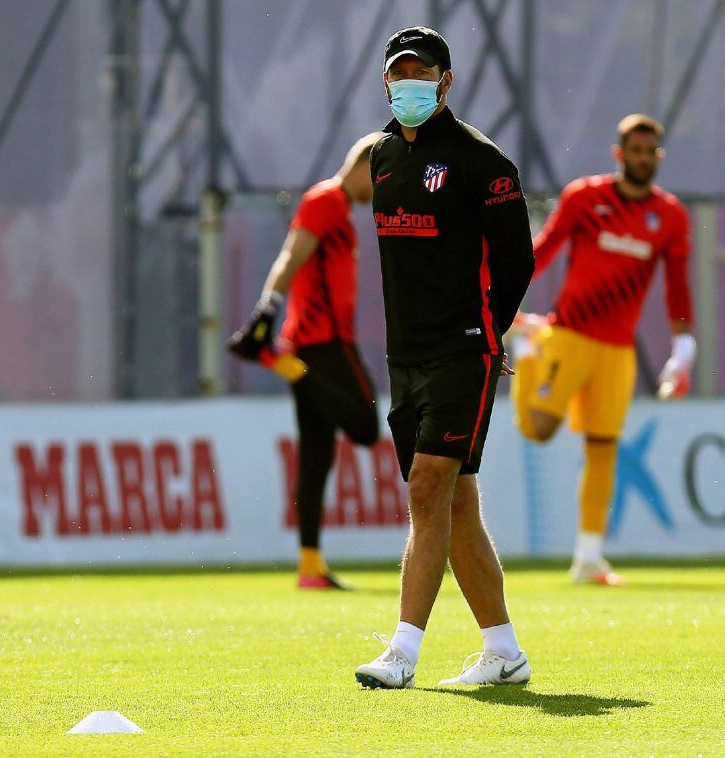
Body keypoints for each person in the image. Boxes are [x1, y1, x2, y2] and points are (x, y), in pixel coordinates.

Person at [353, 27, 535, 689]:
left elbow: (518, 261)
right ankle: (504, 653)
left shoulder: (482, 162)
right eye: (400, 73)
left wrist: (490, 333)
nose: (410, 83)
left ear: (446, 81)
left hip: (462, 351)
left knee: (427, 488)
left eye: (422, 72)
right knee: (455, 504)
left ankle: (401, 653)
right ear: (385, 81)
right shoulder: (379, 156)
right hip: (405, 356)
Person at [510, 114, 695, 585]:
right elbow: (543, 249)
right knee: (539, 430)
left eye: (650, 152)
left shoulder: (670, 215)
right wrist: (501, 299)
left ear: (659, 157)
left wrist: (683, 347)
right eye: (635, 150)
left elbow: (677, 285)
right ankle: (528, 347)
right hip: (569, 334)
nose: (642, 159)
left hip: (617, 349)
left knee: (603, 447)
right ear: (619, 154)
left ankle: (589, 558)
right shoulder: (585, 197)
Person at [227, 133, 383, 590]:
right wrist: (265, 311)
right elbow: (291, 255)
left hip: (310, 343)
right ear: (363, 166)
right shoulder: (327, 200)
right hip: (324, 343)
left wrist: (269, 315)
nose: (379, 191)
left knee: (316, 453)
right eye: (378, 178)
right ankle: (278, 362)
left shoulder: (334, 207)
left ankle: (310, 566)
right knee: (364, 425)